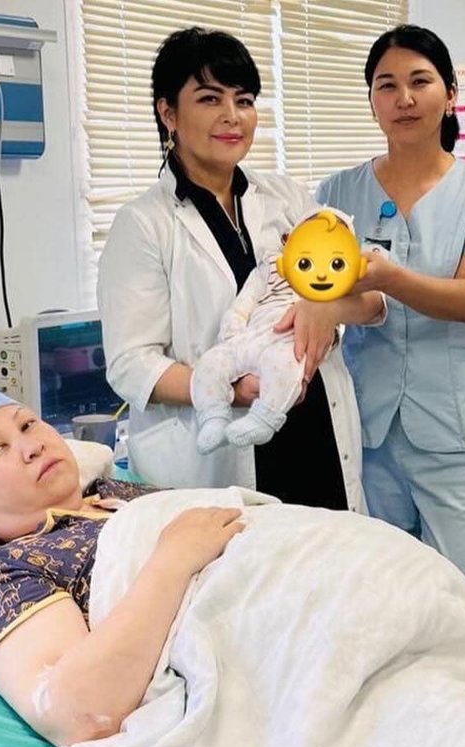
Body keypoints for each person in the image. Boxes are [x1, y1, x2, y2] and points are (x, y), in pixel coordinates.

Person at [97, 27, 384, 511]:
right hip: (216, 456)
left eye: (244, 100)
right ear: (168, 113)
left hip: (315, 435)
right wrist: (229, 390)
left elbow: (374, 300)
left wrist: (329, 309)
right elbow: (131, 365)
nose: (232, 115)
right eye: (210, 98)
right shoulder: (143, 224)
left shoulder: (288, 199)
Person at [315, 25, 465, 620]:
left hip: (461, 431)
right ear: (371, 101)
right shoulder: (337, 192)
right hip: (369, 430)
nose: (403, 99)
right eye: (387, 85)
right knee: (380, 598)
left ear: (450, 94)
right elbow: (326, 293)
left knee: (462, 599)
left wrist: (387, 277)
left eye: (420, 82)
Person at [0, 385, 243, 746]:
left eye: (28, 425)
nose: (32, 447)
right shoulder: (2, 575)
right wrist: (173, 561)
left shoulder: (120, 491)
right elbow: (79, 714)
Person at [190, 207, 364, 455]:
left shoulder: (335, 283)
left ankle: (264, 418)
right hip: (249, 337)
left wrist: (329, 317)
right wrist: (232, 333)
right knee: (211, 362)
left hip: (288, 343)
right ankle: (213, 417)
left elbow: (351, 315)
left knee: (285, 365)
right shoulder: (271, 266)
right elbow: (245, 301)